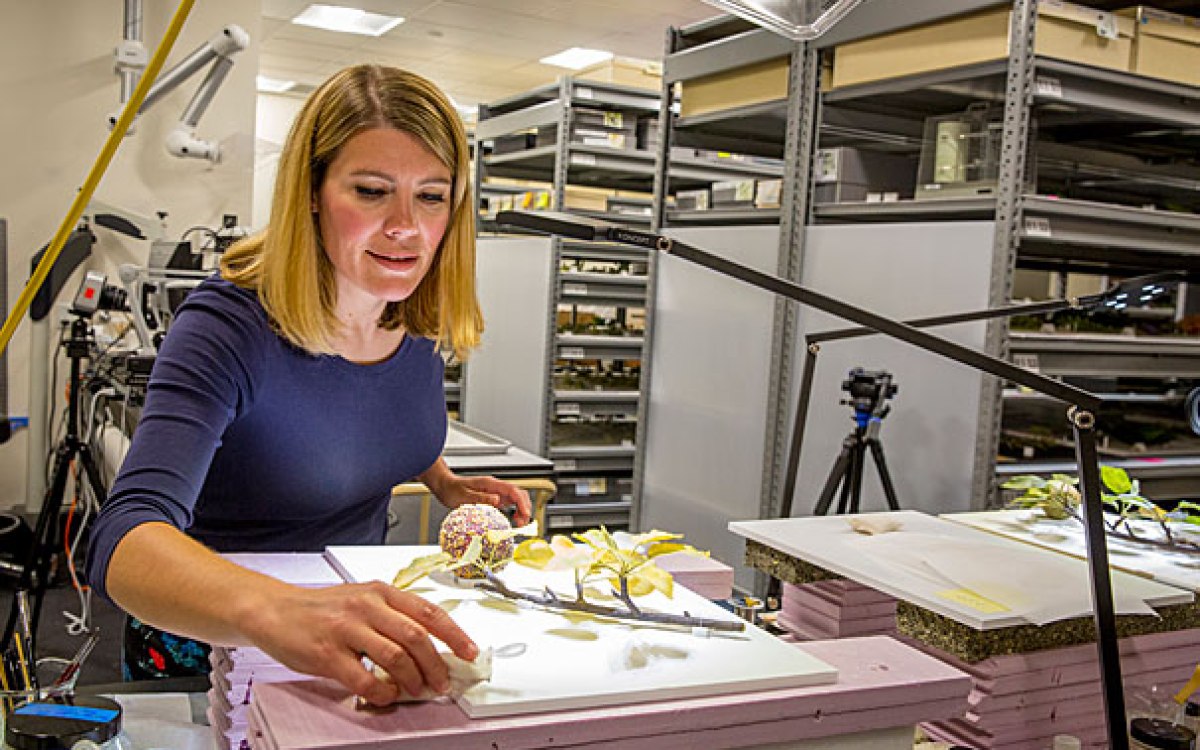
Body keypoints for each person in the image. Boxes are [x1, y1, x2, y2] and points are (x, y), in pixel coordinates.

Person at [86, 64, 531, 706]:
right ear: (313, 191)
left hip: (353, 640)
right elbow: (124, 538)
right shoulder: (230, 326)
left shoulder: (412, 315)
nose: (406, 225)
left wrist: (442, 478)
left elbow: (362, 417)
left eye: (432, 196)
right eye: (373, 191)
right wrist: (281, 612)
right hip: (215, 653)